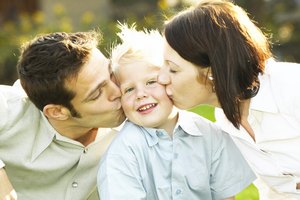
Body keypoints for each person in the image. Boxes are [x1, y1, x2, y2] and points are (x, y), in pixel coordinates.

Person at [157, 0, 300, 199]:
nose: (161, 78)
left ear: (213, 71)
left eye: (173, 69)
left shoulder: (292, 86)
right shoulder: (225, 120)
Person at [97, 24, 255, 200]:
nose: (141, 94)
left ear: (169, 80)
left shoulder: (210, 135)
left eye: (151, 82)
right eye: (129, 89)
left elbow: (226, 197)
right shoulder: (123, 152)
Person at [0, 30, 126, 200]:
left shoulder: (141, 117)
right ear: (57, 112)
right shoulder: (12, 108)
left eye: (112, 74)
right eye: (97, 94)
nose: (119, 91)